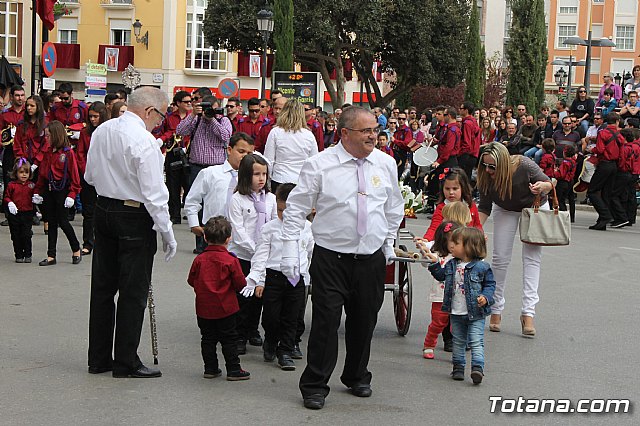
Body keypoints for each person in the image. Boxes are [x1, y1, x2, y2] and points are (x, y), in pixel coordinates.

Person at [281, 106, 404, 410]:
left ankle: (357, 375)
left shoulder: (385, 164)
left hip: (370, 259)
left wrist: (388, 244)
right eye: (366, 131)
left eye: (375, 129)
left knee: (364, 320)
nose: (373, 136)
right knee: (326, 322)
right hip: (331, 258)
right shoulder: (320, 165)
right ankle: (314, 385)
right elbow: (296, 208)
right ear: (345, 133)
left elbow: (393, 207)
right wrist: (288, 250)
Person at [85, 87, 176, 378]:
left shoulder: (103, 130)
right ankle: (125, 361)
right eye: (161, 116)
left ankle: (98, 358)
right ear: (150, 111)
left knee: (102, 289)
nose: (160, 123)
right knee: (133, 292)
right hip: (134, 214)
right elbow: (155, 195)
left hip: (104, 208)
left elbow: (89, 175)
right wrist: (167, 234)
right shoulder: (144, 141)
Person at [476, 142, 553, 336]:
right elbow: (484, 207)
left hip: (534, 207)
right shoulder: (485, 176)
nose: (488, 170)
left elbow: (550, 183)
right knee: (500, 259)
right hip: (505, 208)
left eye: (492, 166)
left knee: (532, 259)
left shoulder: (525, 165)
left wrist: (542, 186)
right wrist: (473, 228)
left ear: (503, 163)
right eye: (484, 165)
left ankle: (528, 313)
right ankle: (495, 308)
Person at [242, 183, 314, 371]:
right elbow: (261, 256)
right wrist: (258, 280)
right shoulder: (270, 228)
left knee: (292, 318)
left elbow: (310, 253)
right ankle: (271, 341)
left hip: (296, 279)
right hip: (274, 277)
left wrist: (308, 276)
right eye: (281, 210)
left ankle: (285, 351)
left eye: (289, 210)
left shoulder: (308, 228)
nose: (284, 214)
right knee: (271, 317)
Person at [420, 227, 496, 384]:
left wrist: (486, 298)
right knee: (458, 341)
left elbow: (490, 285)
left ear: (470, 246)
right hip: (455, 311)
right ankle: (458, 367)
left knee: (476, 341)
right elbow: (441, 276)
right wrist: (434, 264)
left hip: (476, 312)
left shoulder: (482, 267)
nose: (451, 246)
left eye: (456, 243)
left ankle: (477, 368)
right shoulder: (451, 264)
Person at [187, 216, 251, 381]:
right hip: (226, 307)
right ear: (229, 239)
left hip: (203, 307)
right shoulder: (231, 260)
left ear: (205, 237)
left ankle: (210, 368)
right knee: (229, 339)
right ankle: (233, 369)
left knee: (207, 338)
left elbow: (191, 280)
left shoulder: (199, 259)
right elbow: (240, 283)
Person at [228, 154, 277, 354]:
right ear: (246, 176)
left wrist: (267, 250)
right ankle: (239, 334)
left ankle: (252, 329)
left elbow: (275, 224)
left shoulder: (271, 199)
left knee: (259, 295)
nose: (261, 178)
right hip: (244, 255)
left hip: (265, 257)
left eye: (264, 174)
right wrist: (256, 250)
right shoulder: (237, 199)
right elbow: (238, 231)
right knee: (243, 296)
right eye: (256, 174)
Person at [32, 121, 82, 266]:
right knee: (51, 222)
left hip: (62, 191)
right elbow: (43, 173)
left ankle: (75, 248)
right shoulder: (48, 152)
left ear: (56, 135)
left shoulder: (68, 153)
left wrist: (72, 195)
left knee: (64, 222)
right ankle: (51, 255)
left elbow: (75, 177)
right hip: (49, 190)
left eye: (48, 135)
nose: (46, 138)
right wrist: (37, 191)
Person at [185, 132, 255, 236]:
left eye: (249, 154)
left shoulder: (253, 177)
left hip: (242, 232)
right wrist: (194, 224)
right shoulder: (210, 173)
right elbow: (192, 200)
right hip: (214, 231)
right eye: (241, 151)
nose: (245, 156)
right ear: (230, 150)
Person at [418, 219, 459, 360]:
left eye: (457, 241)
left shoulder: (462, 255)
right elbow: (425, 263)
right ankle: (429, 344)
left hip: (459, 296)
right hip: (440, 296)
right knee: (438, 322)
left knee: (458, 323)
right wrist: (424, 253)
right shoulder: (438, 254)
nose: (454, 245)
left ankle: (457, 348)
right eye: (451, 241)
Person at [264, 99, 318, 192]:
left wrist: (267, 182)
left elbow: (269, 160)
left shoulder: (275, 132)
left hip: (280, 179)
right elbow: (314, 162)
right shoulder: (309, 135)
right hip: (301, 181)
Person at [76, 102, 109, 255]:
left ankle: (104, 242)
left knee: (105, 211)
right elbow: (80, 154)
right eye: (91, 117)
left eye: (96, 116)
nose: (93, 119)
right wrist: (87, 172)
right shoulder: (85, 132)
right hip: (88, 177)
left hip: (105, 177)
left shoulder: (109, 132)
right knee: (88, 212)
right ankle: (88, 243)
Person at [158, 91, 192, 225]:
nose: (189, 104)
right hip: (173, 153)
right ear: (178, 103)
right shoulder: (169, 117)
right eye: (186, 102)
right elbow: (162, 133)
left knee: (189, 185)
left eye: (190, 102)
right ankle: (175, 215)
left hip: (188, 154)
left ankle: (190, 215)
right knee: (173, 186)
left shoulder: (193, 117)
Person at [586, 112, 624, 230]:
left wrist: (593, 149)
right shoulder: (620, 135)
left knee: (592, 191)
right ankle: (602, 222)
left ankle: (605, 215)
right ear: (617, 122)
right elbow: (622, 154)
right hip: (614, 165)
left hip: (604, 164)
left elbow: (601, 150)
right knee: (606, 193)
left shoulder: (603, 133)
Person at [4, 158, 35, 262]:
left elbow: (35, 195)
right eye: (21, 172)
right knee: (15, 235)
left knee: (26, 234)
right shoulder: (11, 185)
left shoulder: (31, 185)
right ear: (16, 173)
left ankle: (28, 254)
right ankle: (18, 255)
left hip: (27, 213)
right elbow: (6, 197)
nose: (24, 175)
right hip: (15, 214)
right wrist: (10, 202)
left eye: (26, 172)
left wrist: (37, 199)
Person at [608, 128, 639, 228]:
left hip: (625, 172)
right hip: (633, 172)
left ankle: (622, 217)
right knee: (628, 195)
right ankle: (628, 218)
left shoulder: (626, 148)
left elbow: (622, 161)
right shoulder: (635, 146)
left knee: (617, 195)